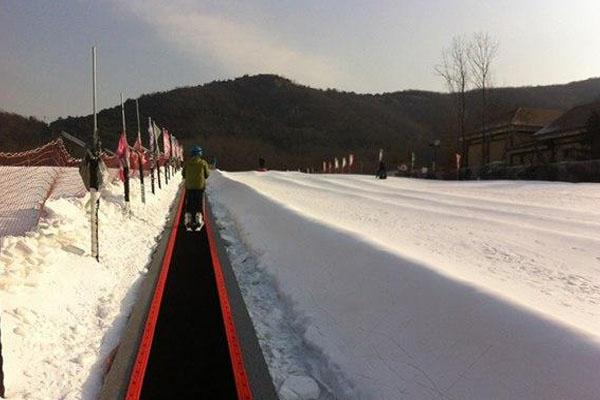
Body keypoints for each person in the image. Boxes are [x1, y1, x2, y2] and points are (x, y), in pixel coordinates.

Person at [182, 145, 210, 230]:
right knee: (199, 203)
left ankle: (188, 219)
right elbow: (207, 175)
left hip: (189, 187)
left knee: (189, 203)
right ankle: (198, 219)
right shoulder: (203, 162)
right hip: (200, 187)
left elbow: (183, 174)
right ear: (199, 153)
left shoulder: (187, 163)